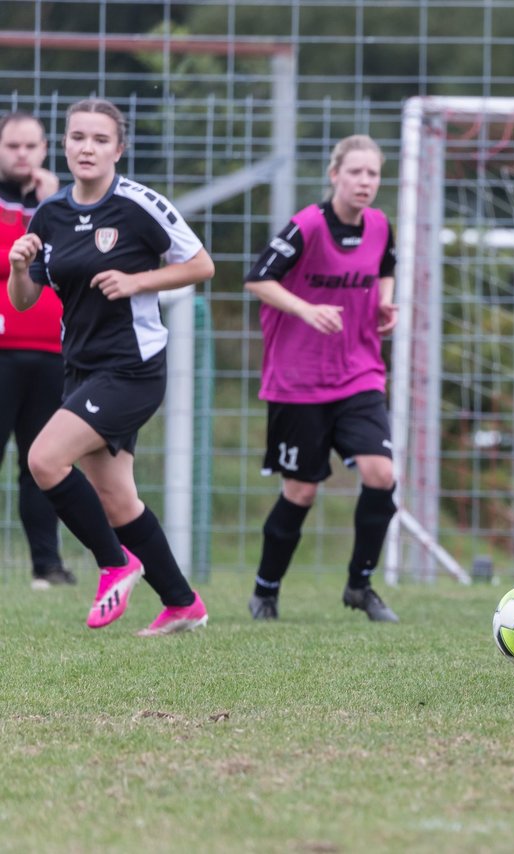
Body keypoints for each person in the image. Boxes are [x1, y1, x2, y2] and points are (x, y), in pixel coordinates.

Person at [7, 98, 214, 635]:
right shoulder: (49, 213)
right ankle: (183, 603)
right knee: (119, 500)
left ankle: (115, 564)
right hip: (81, 367)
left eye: (100, 139)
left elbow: (202, 264)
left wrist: (137, 281)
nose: (87, 148)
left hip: (132, 369)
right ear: (65, 145)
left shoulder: (139, 205)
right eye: (78, 137)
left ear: (118, 149)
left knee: (44, 459)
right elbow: (26, 300)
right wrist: (18, 267)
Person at [243, 134, 400, 623]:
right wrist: (307, 310)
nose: (365, 182)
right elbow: (257, 278)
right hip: (299, 381)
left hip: (359, 374)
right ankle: (265, 591)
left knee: (382, 475)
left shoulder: (379, 225)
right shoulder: (307, 226)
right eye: (355, 172)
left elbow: (386, 264)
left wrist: (382, 302)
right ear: (334, 175)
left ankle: (360, 585)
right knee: (301, 491)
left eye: (372, 173)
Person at [0, 111, 72, 589]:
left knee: (41, 462)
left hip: (53, 353)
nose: (23, 155)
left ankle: (47, 565)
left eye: (31, 146)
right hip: (4, 351)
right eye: (12, 146)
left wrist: (51, 205)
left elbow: (76, 259)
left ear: (46, 150)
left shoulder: (65, 205)